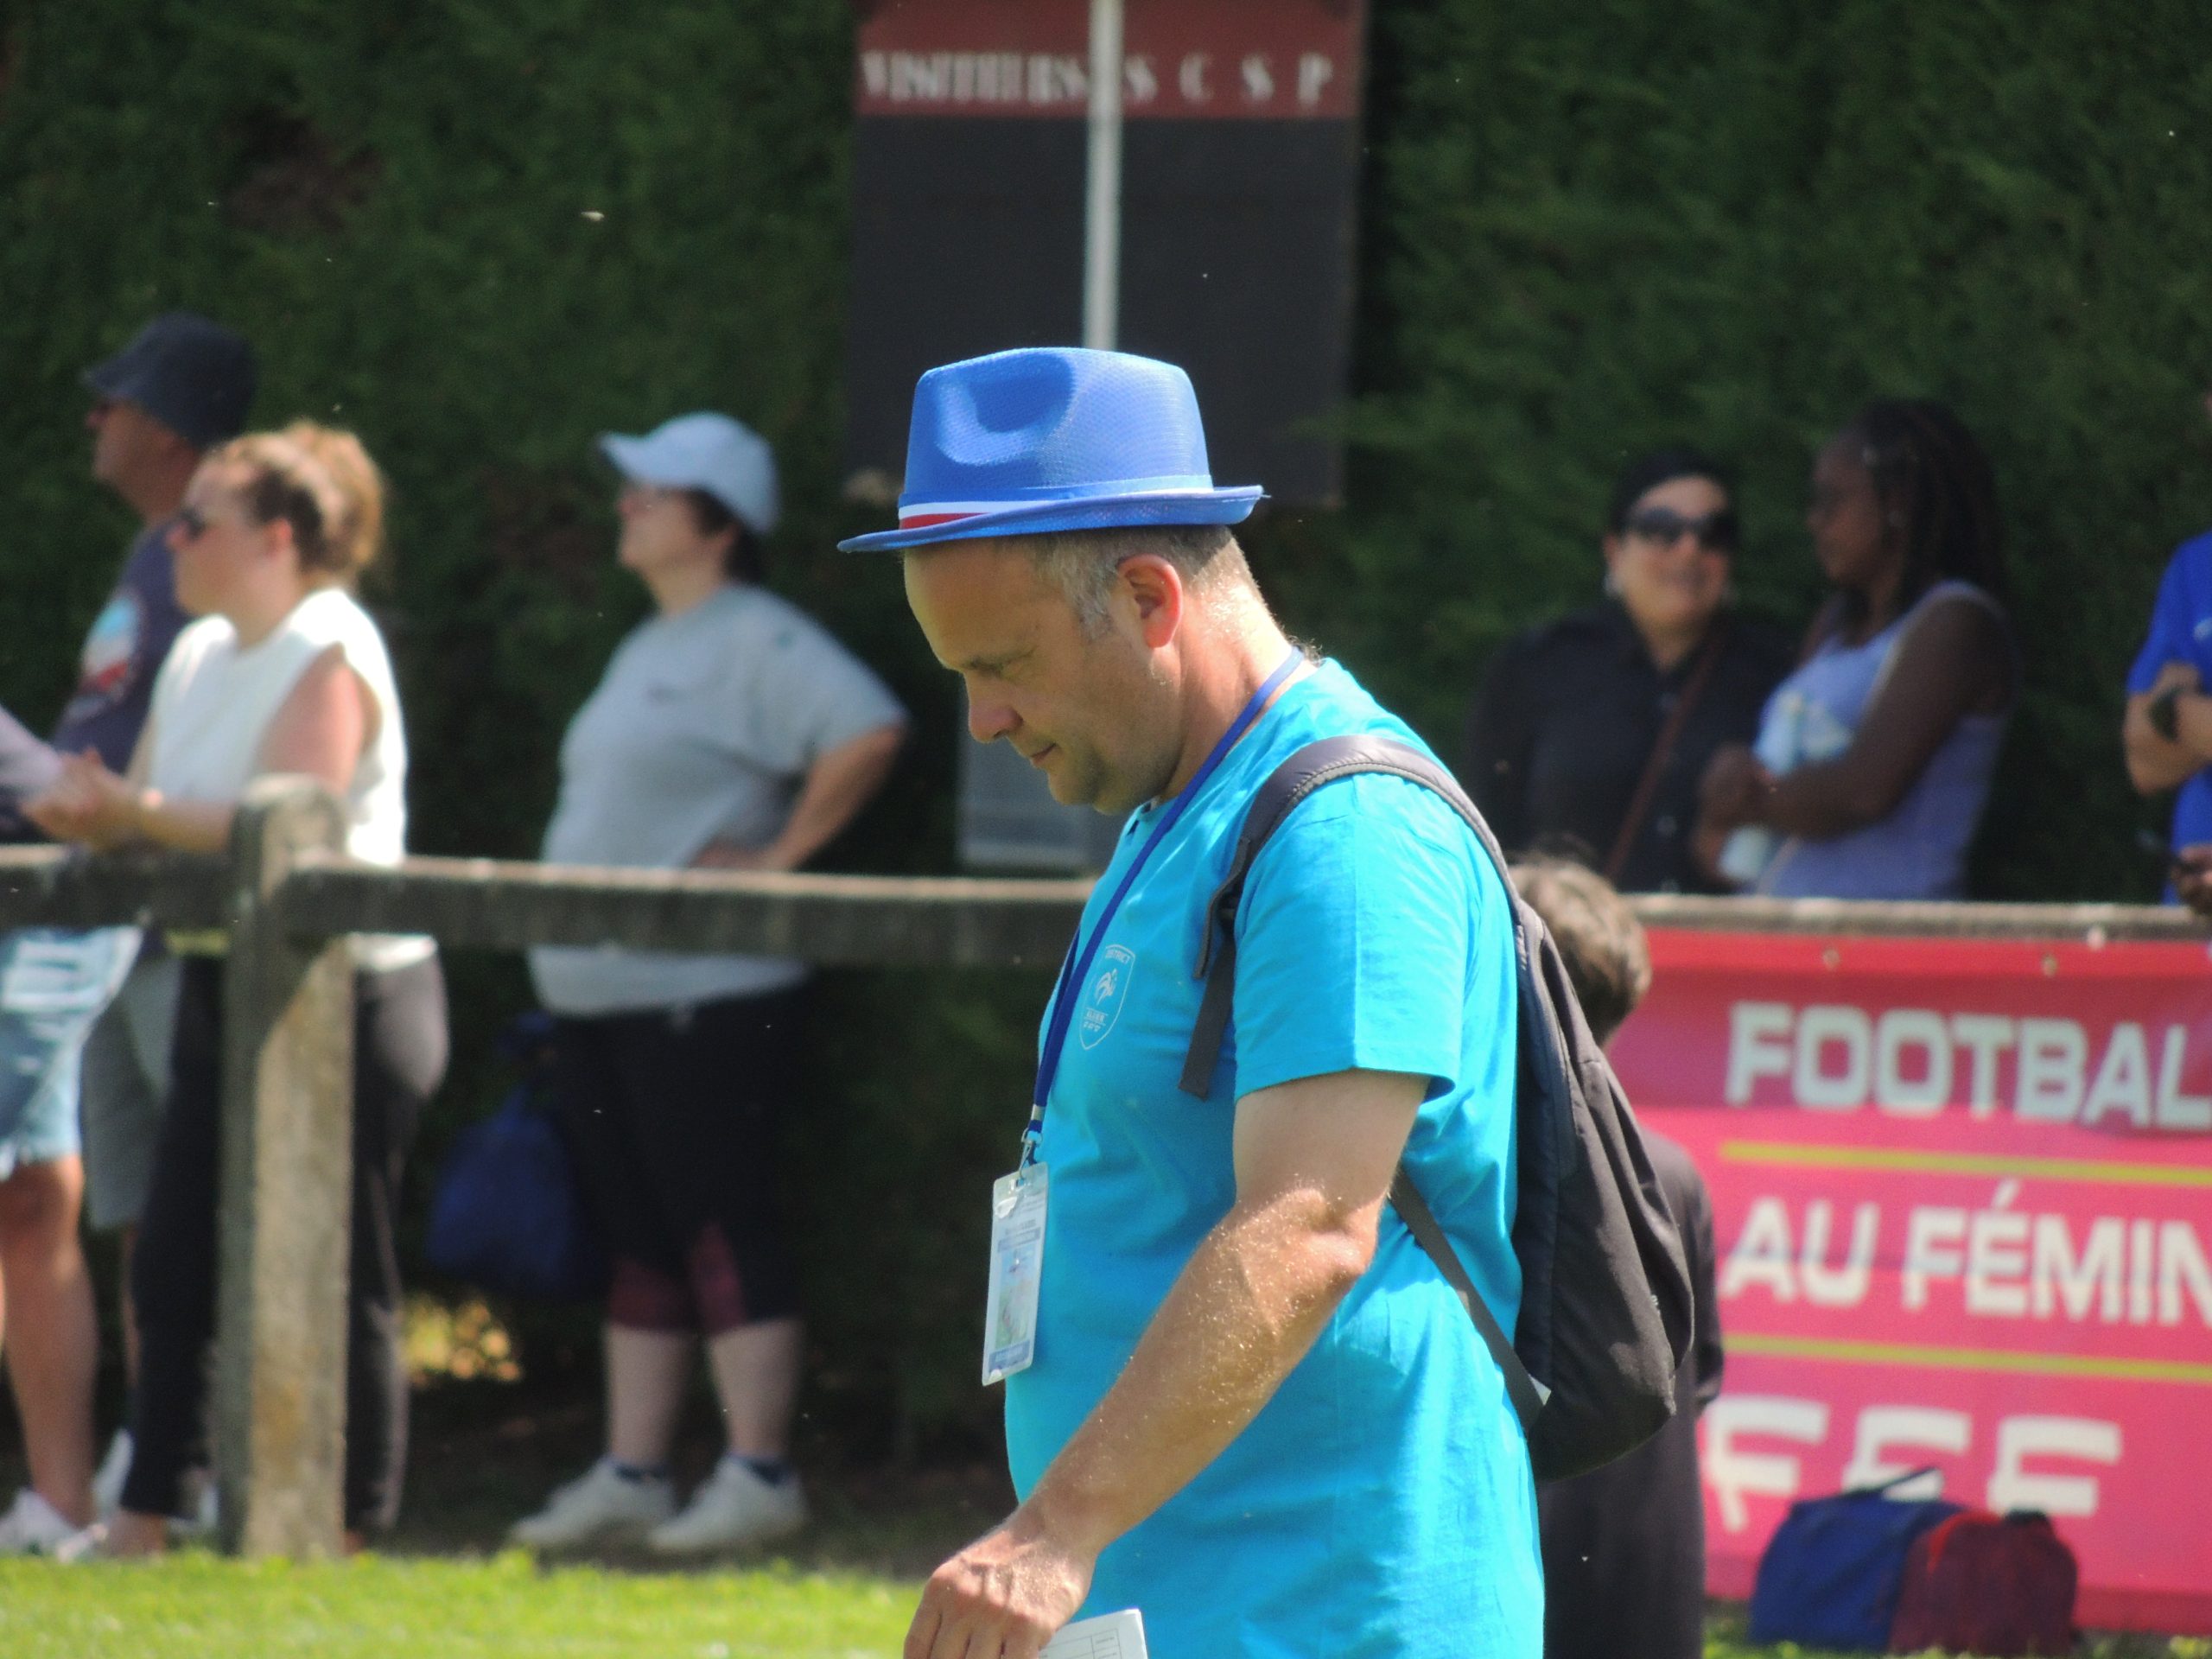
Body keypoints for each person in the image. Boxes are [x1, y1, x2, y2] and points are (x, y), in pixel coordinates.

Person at [849, 346, 1538, 1658]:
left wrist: (1052, 1533)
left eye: (1003, 663)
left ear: (1148, 596)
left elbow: (1311, 1223)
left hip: (1331, 1617)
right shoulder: (1184, 801)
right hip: (1187, 1607)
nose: (982, 719)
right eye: (959, 675)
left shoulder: (1344, 832)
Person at [27, 421, 448, 1556]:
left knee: (343, 1262)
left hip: (353, 998)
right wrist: (94, 815)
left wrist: (131, 812)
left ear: (275, 540)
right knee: (171, 1259)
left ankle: (348, 1529)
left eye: (197, 521)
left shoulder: (329, 641)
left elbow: (286, 817)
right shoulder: (199, 652)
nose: (171, 538)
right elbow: (154, 811)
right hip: (226, 979)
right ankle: (147, 1517)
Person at [511, 413, 906, 1556]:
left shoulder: (759, 639)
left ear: (719, 522)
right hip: (600, 1000)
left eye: (653, 490)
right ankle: (634, 1472)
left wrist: (783, 857)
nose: (626, 504)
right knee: (638, 1234)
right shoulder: (650, 642)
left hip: (711, 994)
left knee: (719, 1223)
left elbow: (868, 728)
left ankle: (759, 1472)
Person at [0, 313, 254, 1554]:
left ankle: (190, 1467)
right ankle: (138, 1472)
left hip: (158, 917)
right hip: (99, 915)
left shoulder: (199, 565)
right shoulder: (158, 555)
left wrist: (63, 793)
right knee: (119, 1208)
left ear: (170, 428)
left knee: (194, 1209)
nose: (94, 418)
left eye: (118, 400)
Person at [1508, 855, 1724, 1659]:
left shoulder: (1480, 1170)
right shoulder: (1672, 1174)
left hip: (1525, 1566)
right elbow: (1700, 1376)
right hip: (1646, 1568)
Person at [1695, 399, 2014, 899]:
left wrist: (1749, 795)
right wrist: (1729, 793)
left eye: (1831, 501)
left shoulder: (1956, 623)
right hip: (1776, 928)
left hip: (1885, 935)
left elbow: (1862, 793)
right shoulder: (1834, 625)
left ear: (1897, 502)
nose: (1814, 521)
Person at [1462, 448, 1791, 892]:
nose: (1689, 549)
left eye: (1714, 533)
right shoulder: (1537, 668)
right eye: (1661, 529)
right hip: (1564, 935)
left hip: (1726, 933)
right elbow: (1484, 833)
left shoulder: (1773, 674)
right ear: (1614, 549)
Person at [2122, 382, 2212, 899]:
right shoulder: (2195, 566)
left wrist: (2178, 709)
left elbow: (2160, 720)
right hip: (2190, 928)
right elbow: (2144, 759)